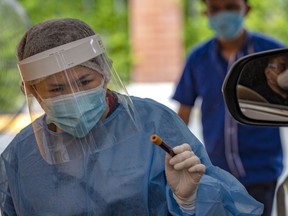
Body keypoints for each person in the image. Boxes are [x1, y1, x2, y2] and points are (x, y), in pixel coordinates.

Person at [0, 18, 263, 216]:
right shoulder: (21, 156)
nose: (74, 95)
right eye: (57, 89)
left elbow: (228, 208)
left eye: (85, 81)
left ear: (104, 73)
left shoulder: (154, 123)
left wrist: (190, 200)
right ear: (32, 90)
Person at [172, 0, 285, 215]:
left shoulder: (273, 53)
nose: (222, 14)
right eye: (215, 8)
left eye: (230, 6)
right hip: (217, 172)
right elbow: (183, 112)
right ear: (206, 12)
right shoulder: (198, 58)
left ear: (247, 9)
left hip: (262, 171)